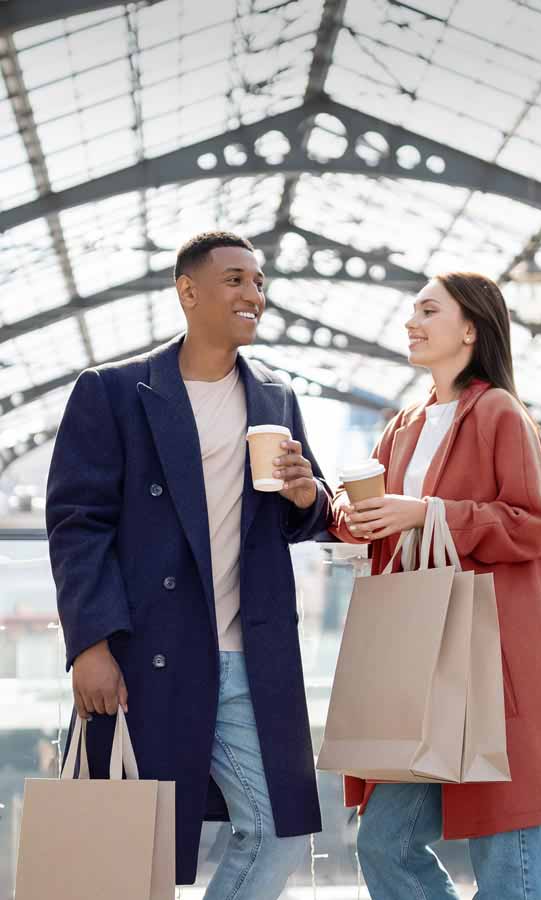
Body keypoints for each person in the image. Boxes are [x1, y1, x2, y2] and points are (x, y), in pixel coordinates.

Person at [46, 231, 332, 897]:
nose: (253, 295)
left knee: (281, 831)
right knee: (132, 849)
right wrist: (89, 642)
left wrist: (305, 493)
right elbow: (77, 524)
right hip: (146, 654)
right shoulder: (114, 392)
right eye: (235, 279)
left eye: (259, 283)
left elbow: (308, 512)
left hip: (251, 657)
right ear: (189, 291)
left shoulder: (276, 396)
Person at [330, 272, 541, 900]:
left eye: (428, 310)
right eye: (411, 310)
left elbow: (533, 525)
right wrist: (341, 509)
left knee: (505, 837)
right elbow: (380, 522)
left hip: (487, 660)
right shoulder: (404, 425)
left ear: (470, 328)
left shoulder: (498, 412)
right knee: (384, 842)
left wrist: (429, 511)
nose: (412, 321)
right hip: (420, 660)